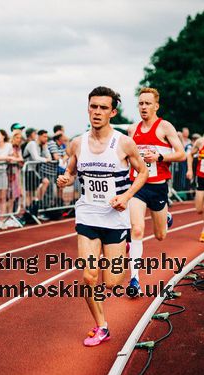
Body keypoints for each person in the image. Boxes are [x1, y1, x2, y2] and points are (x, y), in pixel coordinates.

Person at [57, 86, 148, 347]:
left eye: (103, 108)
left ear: (113, 112)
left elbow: (143, 173)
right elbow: (71, 171)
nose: (97, 112)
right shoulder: (78, 143)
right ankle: (101, 326)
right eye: (93, 106)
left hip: (115, 218)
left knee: (112, 282)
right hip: (87, 215)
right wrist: (66, 179)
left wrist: (127, 197)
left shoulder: (123, 143)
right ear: (88, 108)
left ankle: (126, 247)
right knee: (88, 277)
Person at [126, 87, 185, 293]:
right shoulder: (132, 130)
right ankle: (134, 280)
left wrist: (159, 157)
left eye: (147, 103)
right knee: (137, 230)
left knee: (160, 235)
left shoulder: (165, 127)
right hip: (138, 186)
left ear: (156, 106)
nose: (143, 107)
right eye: (141, 103)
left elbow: (181, 154)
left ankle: (166, 216)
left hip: (158, 187)